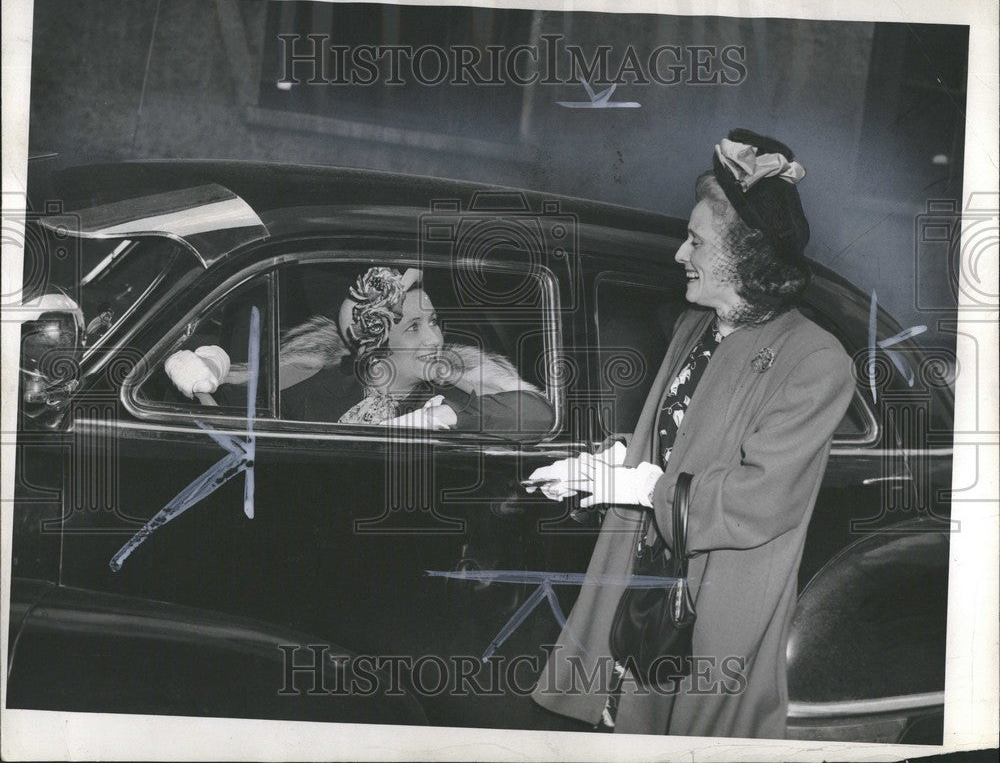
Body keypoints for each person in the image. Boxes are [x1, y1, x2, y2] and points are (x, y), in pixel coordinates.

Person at [525, 129, 854, 738]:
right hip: (646, 581)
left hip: (713, 600)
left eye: (696, 241)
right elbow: (673, 440)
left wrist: (644, 487)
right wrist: (605, 467)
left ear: (746, 254)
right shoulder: (696, 324)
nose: (681, 254)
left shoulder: (815, 359)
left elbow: (761, 500)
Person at [164, 266, 553, 434]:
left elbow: (539, 413)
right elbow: (234, 405)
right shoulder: (317, 390)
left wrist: (441, 419)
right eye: (414, 327)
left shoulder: (448, 397)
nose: (435, 339)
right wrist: (208, 367)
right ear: (377, 344)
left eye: (434, 321)